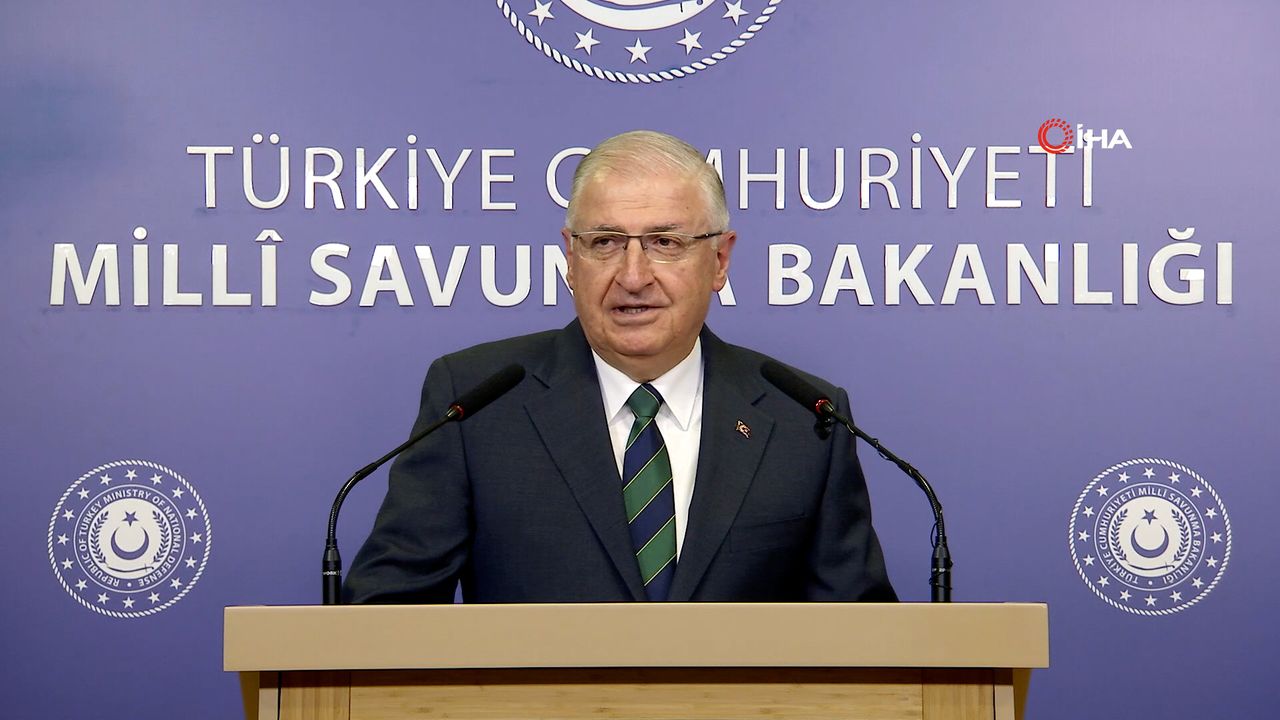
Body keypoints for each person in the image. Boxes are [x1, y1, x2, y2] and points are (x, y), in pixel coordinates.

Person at [343, 130, 896, 603]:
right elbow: (382, 617)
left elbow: (864, 641)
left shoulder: (805, 418)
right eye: (605, 242)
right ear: (571, 257)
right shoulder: (476, 404)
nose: (633, 276)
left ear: (720, 260)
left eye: (665, 242)